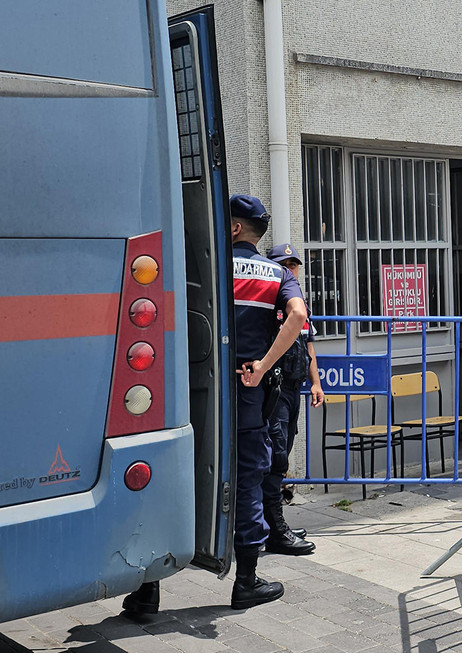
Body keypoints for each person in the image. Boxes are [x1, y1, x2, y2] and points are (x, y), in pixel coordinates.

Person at [122, 194, 306, 614]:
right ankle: (246, 582)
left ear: (235, 228)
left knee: (168, 480)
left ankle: (146, 590)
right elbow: (297, 316)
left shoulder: (199, 268)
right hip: (245, 395)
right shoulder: (277, 274)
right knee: (247, 483)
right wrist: (261, 366)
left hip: (184, 394)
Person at [261, 243, 324, 556]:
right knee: (276, 456)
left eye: (294, 265)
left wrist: (316, 382)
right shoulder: (268, 305)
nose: (291, 270)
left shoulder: (299, 305)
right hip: (273, 386)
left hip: (294, 385)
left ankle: (274, 523)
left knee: (283, 448)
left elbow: (308, 346)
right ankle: (271, 528)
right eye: (284, 265)